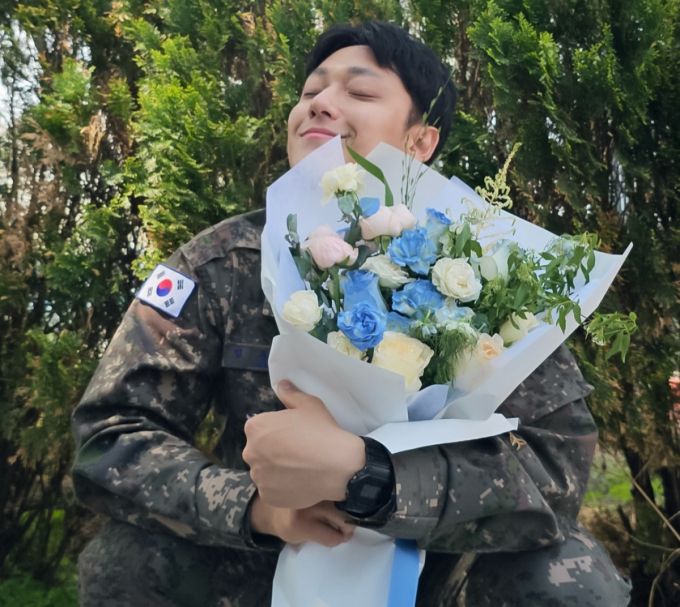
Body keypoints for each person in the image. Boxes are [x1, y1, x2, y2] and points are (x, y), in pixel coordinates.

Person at [72, 21, 631, 606]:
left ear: (420, 142)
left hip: (441, 568)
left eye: (359, 92)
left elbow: (556, 468)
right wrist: (253, 508)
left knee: (570, 576)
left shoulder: (490, 272)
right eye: (310, 91)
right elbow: (111, 436)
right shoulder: (223, 263)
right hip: (269, 556)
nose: (320, 104)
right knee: (126, 562)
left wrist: (369, 478)